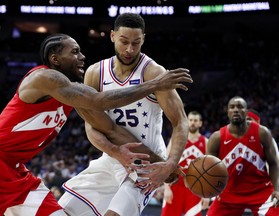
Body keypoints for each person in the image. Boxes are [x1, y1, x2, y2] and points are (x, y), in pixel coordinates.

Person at [0, 33, 192, 215]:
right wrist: (155, 84)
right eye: (74, 52)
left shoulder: (72, 95)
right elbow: (100, 100)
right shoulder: (44, 78)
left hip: (15, 172)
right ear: (55, 59)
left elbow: (110, 128)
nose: (82, 57)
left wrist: (163, 164)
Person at [58, 13, 189, 216]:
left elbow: (180, 121)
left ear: (143, 39)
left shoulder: (153, 73)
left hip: (146, 165)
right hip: (111, 159)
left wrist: (169, 164)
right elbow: (91, 125)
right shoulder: (95, 73)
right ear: (112, 36)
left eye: (136, 43)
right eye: (124, 42)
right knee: (62, 210)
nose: (130, 49)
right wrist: (115, 151)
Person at [206, 96, 279, 216]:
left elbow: (274, 164)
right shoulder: (216, 138)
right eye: (232, 107)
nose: (236, 110)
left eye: (240, 107)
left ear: (246, 111)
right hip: (229, 194)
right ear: (227, 112)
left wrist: (276, 190)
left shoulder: (262, 133)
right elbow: (208, 169)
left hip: (260, 191)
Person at [161, 111, 210, 216]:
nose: (192, 123)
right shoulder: (177, 138)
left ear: (200, 123)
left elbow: (209, 170)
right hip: (175, 184)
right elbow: (166, 161)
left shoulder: (206, 142)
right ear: (187, 121)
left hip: (195, 187)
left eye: (195, 120)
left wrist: (206, 195)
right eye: (190, 120)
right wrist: (166, 188)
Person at [247, 109, 279, 213]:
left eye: (249, 119)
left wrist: (275, 189)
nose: (246, 123)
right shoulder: (243, 140)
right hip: (266, 184)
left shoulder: (263, 137)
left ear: (258, 122)